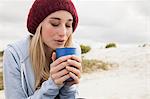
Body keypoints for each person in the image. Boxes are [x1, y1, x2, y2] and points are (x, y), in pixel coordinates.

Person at [3, 0, 82, 99]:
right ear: (38, 26)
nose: (63, 33)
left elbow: (70, 96)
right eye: (55, 23)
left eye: (68, 25)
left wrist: (69, 86)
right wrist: (52, 85)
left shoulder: (74, 50)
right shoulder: (14, 53)